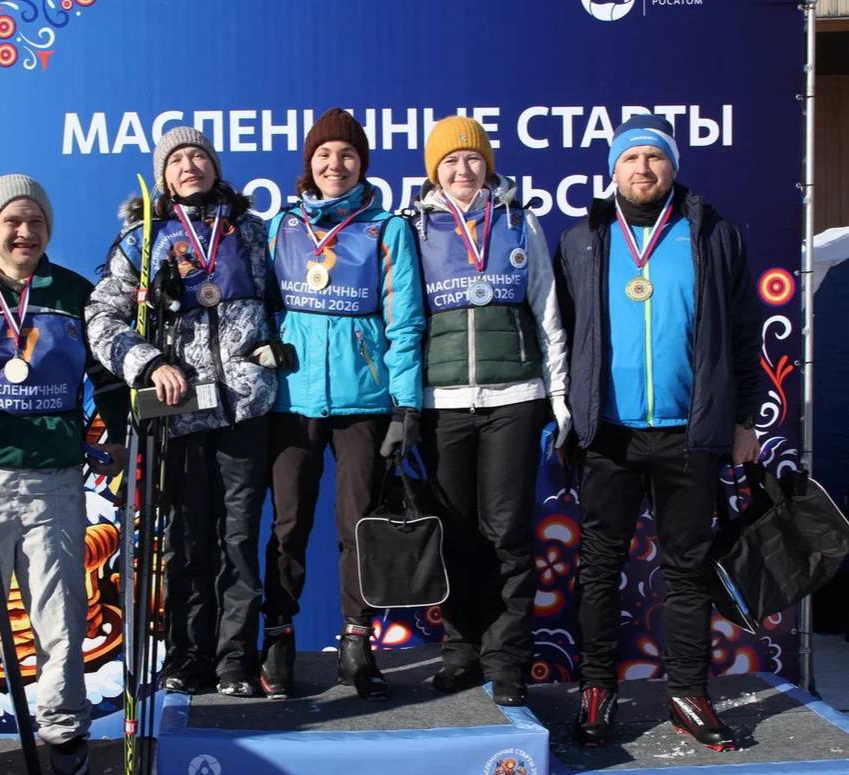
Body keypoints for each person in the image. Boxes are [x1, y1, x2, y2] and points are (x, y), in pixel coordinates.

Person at [554, 115, 761, 751]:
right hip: (608, 433)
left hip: (690, 431)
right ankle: (596, 688)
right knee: (599, 567)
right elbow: (561, 334)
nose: (642, 168)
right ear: (612, 170)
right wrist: (567, 416)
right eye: (630, 158)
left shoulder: (713, 233)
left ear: (672, 167)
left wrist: (744, 419)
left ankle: (688, 693)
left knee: (688, 570)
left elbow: (743, 331)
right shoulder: (582, 239)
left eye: (654, 157)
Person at [0, 175, 128, 775]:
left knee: (61, 619)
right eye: (12, 221)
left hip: (54, 481)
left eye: (36, 221)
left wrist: (116, 433)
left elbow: (108, 377)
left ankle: (64, 734)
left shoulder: (74, 292)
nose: (25, 232)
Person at [86, 126, 277, 696]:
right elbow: (101, 318)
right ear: (163, 178)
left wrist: (274, 350)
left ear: (215, 166)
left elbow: (288, 302)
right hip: (180, 410)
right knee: (187, 541)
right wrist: (148, 364)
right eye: (176, 160)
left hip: (246, 407)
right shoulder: (142, 239)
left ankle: (235, 659)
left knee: (239, 539)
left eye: (198, 155)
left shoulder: (251, 231)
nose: (189, 165)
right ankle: (187, 657)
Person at [260, 108, 425, 700]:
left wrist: (405, 407)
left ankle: (358, 645)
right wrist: (264, 349)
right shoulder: (280, 226)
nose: (336, 164)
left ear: (363, 164)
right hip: (292, 397)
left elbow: (404, 321)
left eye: (348, 154)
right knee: (288, 526)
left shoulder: (387, 229)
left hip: (364, 399)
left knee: (359, 526)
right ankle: (278, 638)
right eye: (325, 154)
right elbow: (259, 307)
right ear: (310, 163)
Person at [411, 116, 569, 707]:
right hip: (444, 402)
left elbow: (547, 312)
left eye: (472, 159)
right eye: (450, 161)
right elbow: (405, 322)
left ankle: (508, 660)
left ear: (489, 165)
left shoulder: (520, 222)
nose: (462, 170)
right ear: (435, 171)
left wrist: (559, 396)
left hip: (515, 399)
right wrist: (407, 404)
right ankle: (461, 650)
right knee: (454, 533)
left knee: (507, 534)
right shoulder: (414, 229)